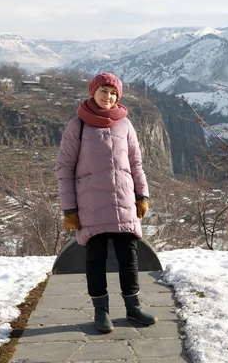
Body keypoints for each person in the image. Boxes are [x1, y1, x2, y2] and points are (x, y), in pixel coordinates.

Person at [55, 72, 157, 333]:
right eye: (104, 91)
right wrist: (69, 209)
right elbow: (64, 167)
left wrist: (142, 196)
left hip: (124, 201)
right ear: (93, 92)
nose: (108, 97)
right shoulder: (77, 125)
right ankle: (101, 311)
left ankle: (133, 308)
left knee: (129, 257)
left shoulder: (125, 124)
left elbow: (136, 164)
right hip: (90, 203)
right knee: (95, 258)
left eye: (113, 93)